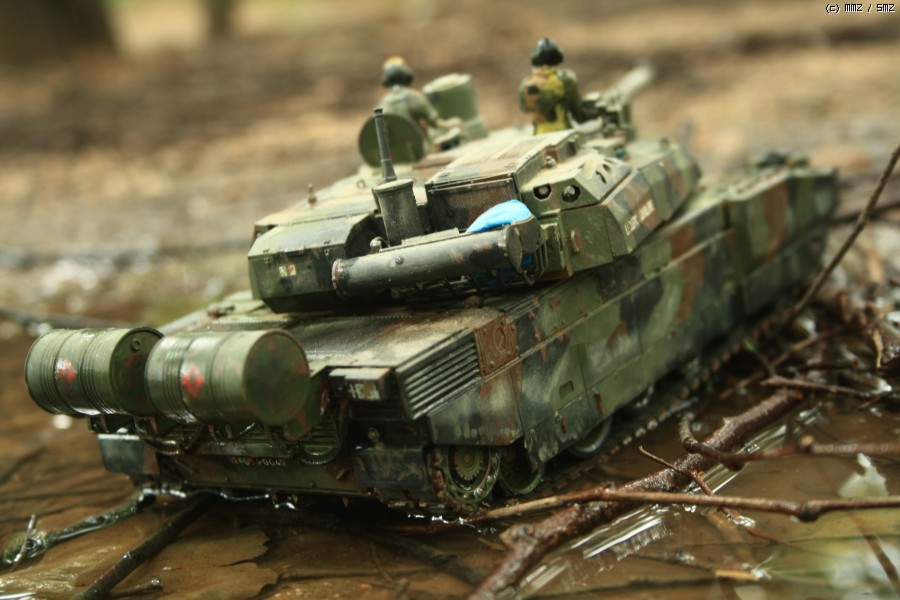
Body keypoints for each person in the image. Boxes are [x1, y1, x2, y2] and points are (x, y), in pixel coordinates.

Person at [519, 38, 590, 134]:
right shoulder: (566, 79)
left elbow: (524, 108)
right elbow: (578, 114)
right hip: (563, 133)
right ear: (558, 56)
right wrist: (593, 113)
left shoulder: (525, 83)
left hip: (539, 136)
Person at [378, 57, 459, 137]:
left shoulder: (382, 103)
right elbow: (435, 123)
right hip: (417, 144)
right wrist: (454, 123)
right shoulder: (414, 97)